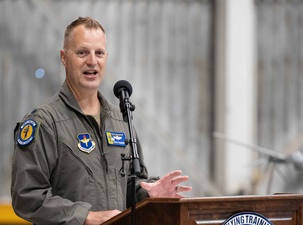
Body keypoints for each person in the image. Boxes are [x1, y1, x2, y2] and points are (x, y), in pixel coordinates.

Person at [11, 17, 192, 225]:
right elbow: (26, 197)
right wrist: (86, 216)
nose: (92, 61)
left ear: (106, 57)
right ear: (64, 57)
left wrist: (149, 194)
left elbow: (131, 187)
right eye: (82, 52)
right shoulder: (45, 122)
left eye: (99, 53)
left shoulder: (120, 120)